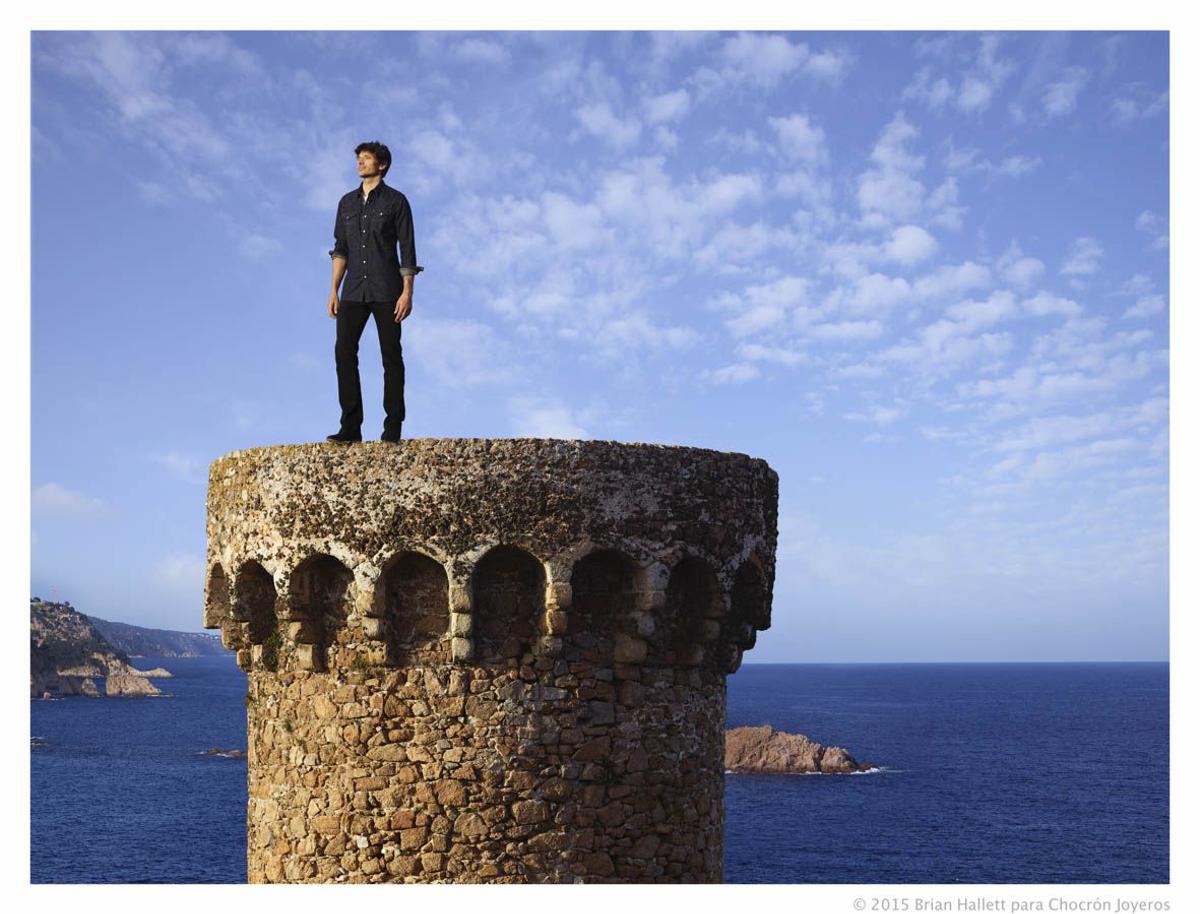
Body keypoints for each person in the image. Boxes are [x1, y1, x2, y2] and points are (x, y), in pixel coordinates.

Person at [325, 141, 423, 444]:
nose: (360, 162)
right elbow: (341, 249)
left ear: (381, 164)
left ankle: (392, 426)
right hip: (354, 289)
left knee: (391, 356)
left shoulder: (396, 202)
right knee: (344, 352)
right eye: (359, 158)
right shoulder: (346, 203)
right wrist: (333, 290)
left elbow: (407, 249)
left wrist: (407, 293)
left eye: (366, 158)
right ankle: (350, 427)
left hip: (387, 290)